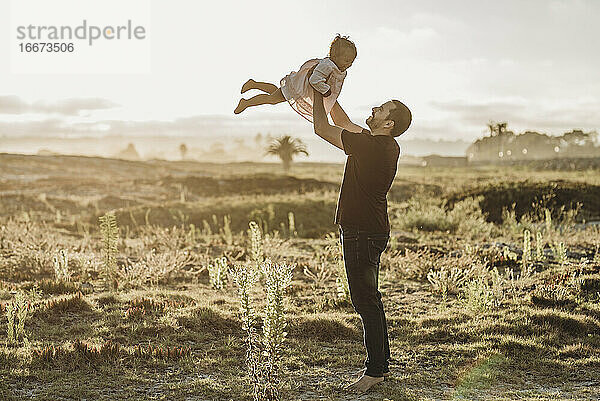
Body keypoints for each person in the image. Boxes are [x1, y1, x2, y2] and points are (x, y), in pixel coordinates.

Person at [312, 87, 412, 394]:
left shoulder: (369, 146)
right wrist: (330, 94)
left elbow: (322, 127)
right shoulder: (382, 145)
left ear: (389, 123)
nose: (374, 108)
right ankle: (380, 365)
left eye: (381, 108)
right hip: (370, 229)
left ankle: (374, 372)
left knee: (364, 300)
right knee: (372, 299)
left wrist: (316, 94)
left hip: (361, 231)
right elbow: (340, 118)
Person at [234, 35, 357, 123]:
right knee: (272, 99)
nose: (349, 64)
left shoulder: (337, 68)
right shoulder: (328, 65)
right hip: (300, 87)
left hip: (301, 88)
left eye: (352, 61)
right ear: (335, 56)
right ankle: (246, 102)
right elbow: (314, 80)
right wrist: (325, 90)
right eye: (346, 60)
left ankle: (254, 84)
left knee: (277, 93)